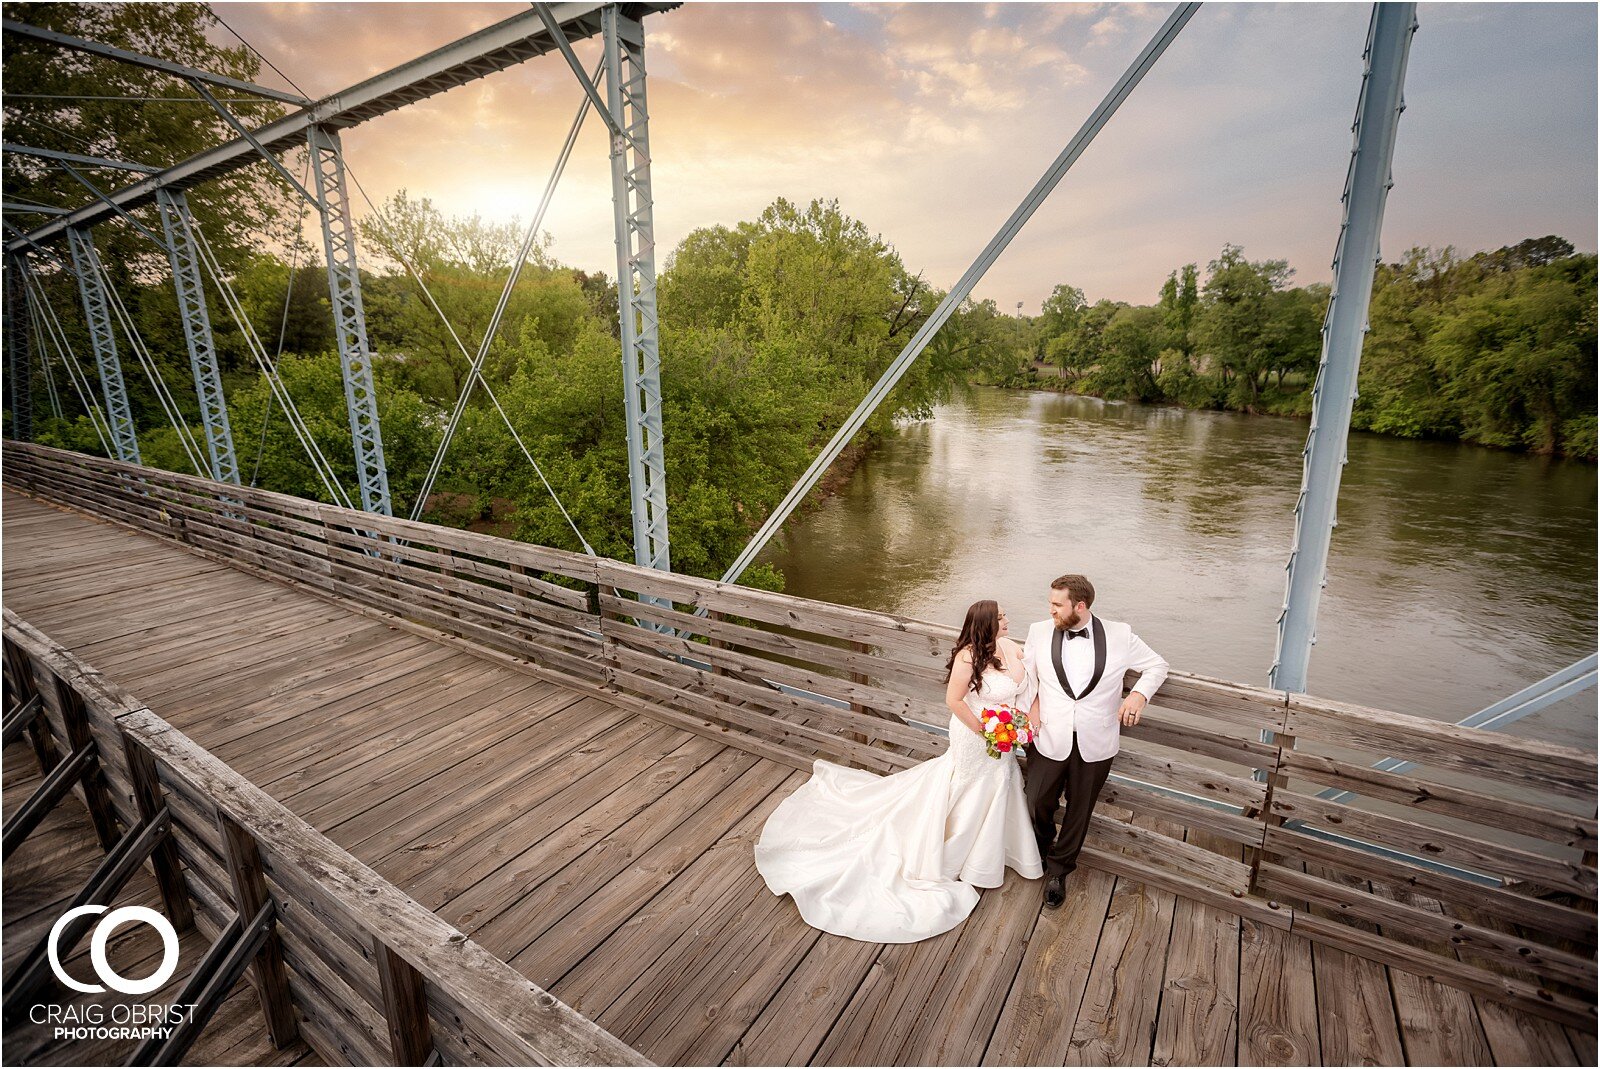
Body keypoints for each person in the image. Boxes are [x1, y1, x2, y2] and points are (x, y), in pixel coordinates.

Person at [755, 600, 1043, 943]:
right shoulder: (968, 656)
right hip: (973, 732)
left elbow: (1034, 682)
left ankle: (992, 852)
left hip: (1004, 734)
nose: (1008, 620)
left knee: (1000, 783)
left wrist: (1025, 722)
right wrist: (987, 730)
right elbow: (954, 700)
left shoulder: (1011, 647)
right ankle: (954, 850)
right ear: (985, 624)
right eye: (1001, 618)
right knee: (970, 786)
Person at [1022, 573, 1168, 910]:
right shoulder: (1038, 631)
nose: (1050, 610)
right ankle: (1041, 851)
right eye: (1050, 603)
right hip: (1048, 735)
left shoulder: (1121, 634)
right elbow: (1028, 680)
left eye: (1057, 605)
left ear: (1080, 605)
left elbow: (1157, 665)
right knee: (1036, 799)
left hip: (1096, 738)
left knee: (1079, 809)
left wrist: (1138, 697)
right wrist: (1030, 710)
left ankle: (1059, 870)